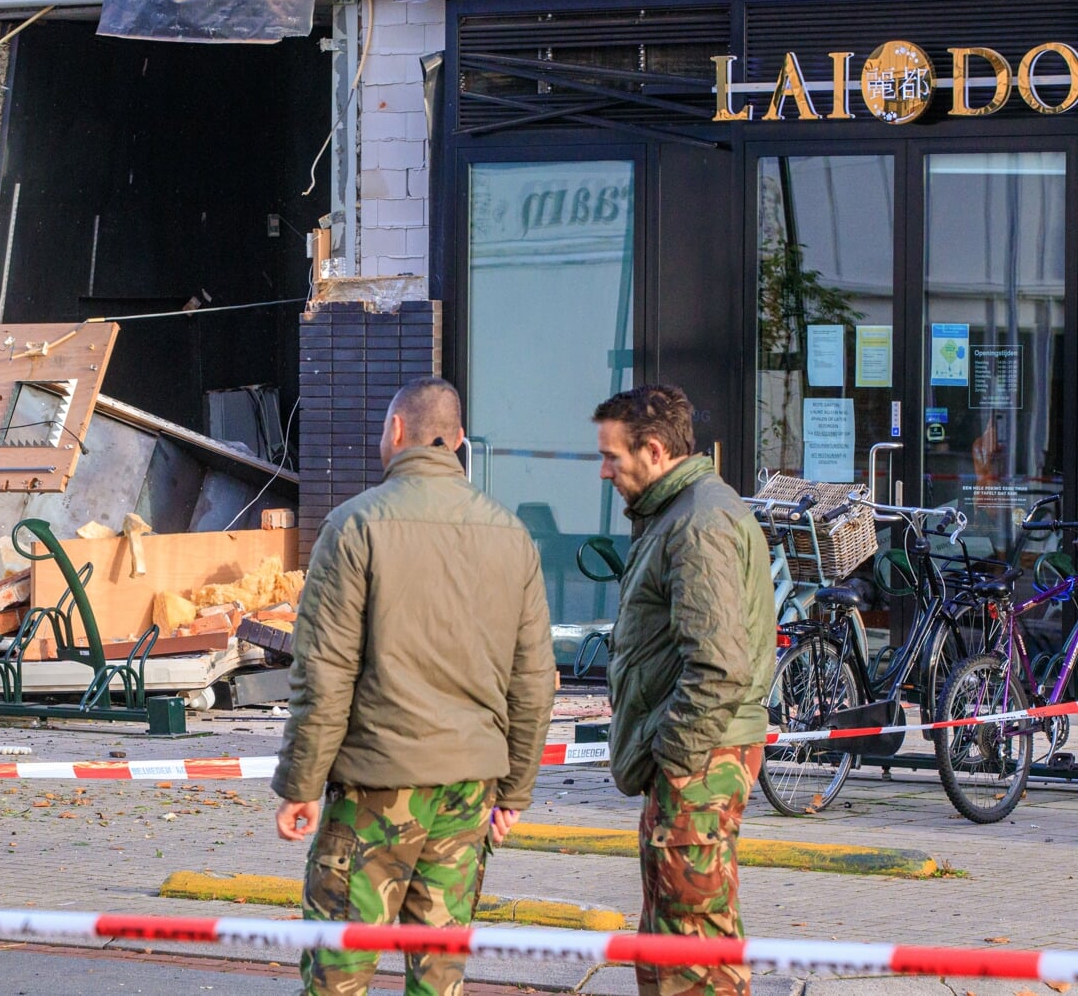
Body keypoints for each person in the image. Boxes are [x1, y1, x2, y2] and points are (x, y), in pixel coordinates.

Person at [272, 376, 554, 996]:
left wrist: (300, 784)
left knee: (339, 973)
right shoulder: (512, 536)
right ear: (455, 443)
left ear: (396, 432)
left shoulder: (355, 527)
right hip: (469, 792)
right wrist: (514, 792)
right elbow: (534, 679)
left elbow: (324, 672)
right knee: (439, 975)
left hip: (377, 787)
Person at [593, 384, 774, 996]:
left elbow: (719, 665)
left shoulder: (697, 523)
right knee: (677, 935)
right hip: (699, 757)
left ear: (652, 450)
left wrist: (671, 756)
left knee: (694, 949)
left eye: (613, 457)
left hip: (700, 762)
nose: (604, 471)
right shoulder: (679, 513)